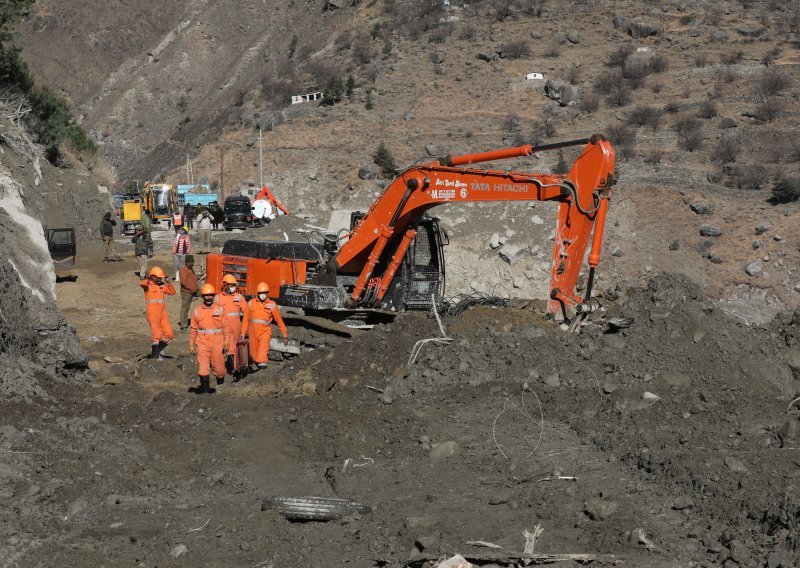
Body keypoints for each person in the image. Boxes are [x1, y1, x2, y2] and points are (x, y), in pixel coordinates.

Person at [189, 284, 230, 394]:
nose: (208, 297)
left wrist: (227, 341)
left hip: (218, 343)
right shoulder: (197, 311)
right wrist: (191, 344)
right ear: (203, 296)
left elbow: (226, 327)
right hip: (202, 343)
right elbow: (193, 329)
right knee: (203, 369)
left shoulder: (220, 310)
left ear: (213, 296)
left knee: (220, 369)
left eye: (210, 295)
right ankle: (205, 394)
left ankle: (221, 390)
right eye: (206, 295)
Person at [241, 282, 288, 370]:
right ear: (257, 293)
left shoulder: (272, 305)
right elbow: (245, 320)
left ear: (267, 293)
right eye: (261, 293)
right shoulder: (251, 303)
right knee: (254, 356)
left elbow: (279, 320)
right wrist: (242, 334)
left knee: (262, 356)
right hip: (252, 332)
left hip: (264, 332)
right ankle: (257, 373)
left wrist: (284, 335)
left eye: (264, 292)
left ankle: (262, 371)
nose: (263, 295)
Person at [214, 274, 248, 380]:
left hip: (237, 325)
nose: (233, 287)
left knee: (237, 347)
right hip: (224, 326)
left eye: (234, 285)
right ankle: (234, 370)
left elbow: (247, 312)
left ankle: (240, 368)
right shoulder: (218, 298)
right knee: (229, 348)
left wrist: (246, 328)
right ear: (225, 285)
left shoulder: (239, 297)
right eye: (231, 285)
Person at [139, 266, 175, 359]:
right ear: (153, 276)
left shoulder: (161, 285)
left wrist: (168, 281)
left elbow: (172, 292)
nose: (159, 279)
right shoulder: (148, 286)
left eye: (160, 278)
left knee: (169, 334)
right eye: (158, 278)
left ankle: (156, 351)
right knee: (157, 336)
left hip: (162, 314)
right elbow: (142, 284)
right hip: (152, 314)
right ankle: (154, 358)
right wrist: (148, 278)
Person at [178, 255, 199, 330]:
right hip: (186, 292)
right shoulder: (183, 270)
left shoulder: (191, 270)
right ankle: (183, 325)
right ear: (186, 262)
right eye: (190, 262)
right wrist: (191, 288)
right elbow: (183, 282)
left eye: (192, 262)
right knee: (185, 308)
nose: (192, 264)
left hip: (193, 291)